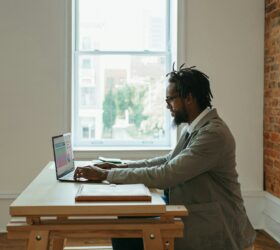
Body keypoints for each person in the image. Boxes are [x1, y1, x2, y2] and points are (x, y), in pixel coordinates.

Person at [74, 64, 256, 250]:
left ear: (189, 98)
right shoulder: (195, 127)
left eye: (170, 99)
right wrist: (118, 168)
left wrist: (105, 176)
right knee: (127, 221)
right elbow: (167, 161)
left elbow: (167, 174)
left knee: (128, 229)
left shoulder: (213, 134)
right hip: (197, 211)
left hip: (219, 227)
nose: (167, 105)